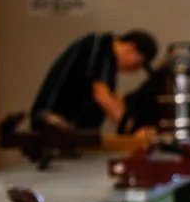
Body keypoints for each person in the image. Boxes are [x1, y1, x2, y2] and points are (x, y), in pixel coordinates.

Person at [29, 30, 158, 131]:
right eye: (137, 64)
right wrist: (132, 131)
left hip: (72, 132)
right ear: (131, 48)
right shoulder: (97, 46)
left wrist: (132, 124)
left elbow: (114, 98)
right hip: (52, 124)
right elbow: (101, 94)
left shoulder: (108, 64)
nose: (133, 70)